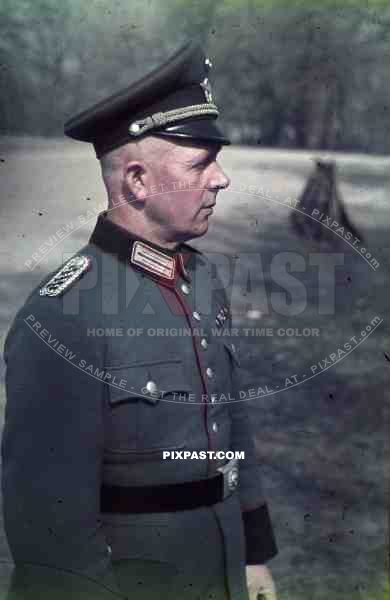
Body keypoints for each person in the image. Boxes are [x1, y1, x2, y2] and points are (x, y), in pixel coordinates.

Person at [1, 41, 278, 600]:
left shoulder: (200, 278)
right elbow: (50, 527)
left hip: (222, 564)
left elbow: (230, 426)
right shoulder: (65, 314)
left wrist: (253, 557)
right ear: (137, 182)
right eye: (201, 162)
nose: (221, 179)